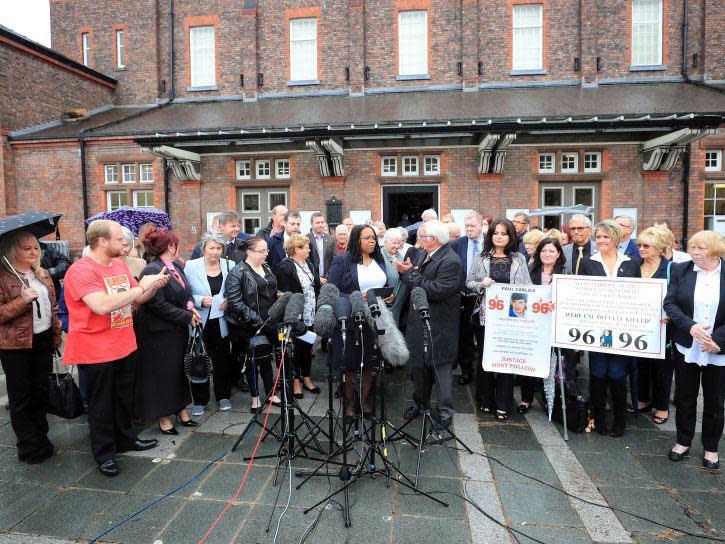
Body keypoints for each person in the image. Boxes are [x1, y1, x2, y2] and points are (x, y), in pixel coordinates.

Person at [63, 220, 168, 476]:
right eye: (120, 238)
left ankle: (126, 439)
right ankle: (105, 453)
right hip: (95, 349)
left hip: (124, 344)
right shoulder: (81, 271)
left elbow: (137, 298)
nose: (125, 243)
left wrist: (153, 285)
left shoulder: (119, 265)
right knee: (101, 404)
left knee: (123, 399)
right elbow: (101, 305)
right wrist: (143, 286)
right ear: (102, 241)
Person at [664, 230, 725, 470]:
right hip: (688, 345)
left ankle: (711, 447)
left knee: (715, 401)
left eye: (701, 248)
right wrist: (691, 327)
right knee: (686, 396)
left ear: (715, 250)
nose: (694, 252)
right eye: (693, 247)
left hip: (718, 348)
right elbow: (670, 303)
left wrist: (717, 340)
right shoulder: (682, 270)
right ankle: (683, 441)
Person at [0, 231, 62, 464]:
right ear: (12, 250)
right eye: (27, 248)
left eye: (35, 248)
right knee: (21, 397)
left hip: (43, 339)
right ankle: (28, 446)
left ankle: (42, 438)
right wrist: (21, 301)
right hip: (15, 345)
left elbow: (53, 307)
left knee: (40, 392)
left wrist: (56, 335)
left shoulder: (42, 273)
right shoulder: (3, 277)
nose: (34, 252)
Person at [396, 220, 461, 429]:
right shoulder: (426, 253)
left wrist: (410, 274)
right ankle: (420, 404)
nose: (419, 239)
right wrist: (410, 271)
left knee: (440, 368)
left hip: (439, 323)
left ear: (433, 240)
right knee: (419, 366)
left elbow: (436, 290)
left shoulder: (451, 261)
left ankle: (445, 412)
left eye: (422, 236)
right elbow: (421, 278)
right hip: (419, 321)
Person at [136, 226, 201, 435]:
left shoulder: (175, 267)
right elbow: (157, 305)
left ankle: (180, 409)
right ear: (169, 246)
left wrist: (191, 306)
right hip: (158, 333)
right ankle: (163, 416)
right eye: (174, 243)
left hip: (176, 330)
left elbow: (186, 291)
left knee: (177, 372)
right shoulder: (152, 269)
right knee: (162, 375)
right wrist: (187, 316)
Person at [579, 220, 641, 437]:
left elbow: (640, 295)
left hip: (623, 329)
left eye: (606, 237)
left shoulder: (632, 263)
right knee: (597, 373)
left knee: (616, 374)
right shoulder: (588, 262)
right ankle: (599, 419)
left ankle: (620, 421)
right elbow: (579, 293)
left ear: (615, 239)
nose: (602, 241)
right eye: (598, 237)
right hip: (596, 329)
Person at [466, 218, 531, 420]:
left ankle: (503, 404)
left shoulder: (519, 258)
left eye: (504, 233)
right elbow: (468, 282)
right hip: (486, 317)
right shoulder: (481, 256)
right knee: (486, 358)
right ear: (490, 235)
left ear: (511, 236)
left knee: (506, 360)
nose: (499, 237)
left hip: (511, 318)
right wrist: (480, 285)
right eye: (496, 233)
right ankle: (485, 400)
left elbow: (528, 285)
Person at [328, 224, 392, 419]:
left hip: (376, 318)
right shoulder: (342, 260)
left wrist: (389, 297)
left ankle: (363, 402)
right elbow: (332, 290)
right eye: (367, 238)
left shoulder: (379, 259)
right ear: (356, 240)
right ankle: (349, 404)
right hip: (351, 318)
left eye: (373, 237)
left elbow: (384, 285)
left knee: (370, 362)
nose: (372, 241)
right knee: (351, 364)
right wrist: (357, 297)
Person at [224, 237, 282, 412]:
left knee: (267, 359)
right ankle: (255, 398)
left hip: (270, 321)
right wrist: (257, 320)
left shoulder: (266, 267)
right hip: (249, 324)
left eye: (267, 250)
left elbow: (269, 290)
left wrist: (279, 295)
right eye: (262, 251)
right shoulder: (237, 272)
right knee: (253, 360)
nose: (267, 253)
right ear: (249, 252)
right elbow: (235, 302)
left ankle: (271, 392)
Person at [185, 232, 234, 415]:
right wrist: (199, 300)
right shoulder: (190, 266)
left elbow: (234, 289)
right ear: (204, 248)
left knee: (222, 360)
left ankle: (223, 396)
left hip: (221, 321)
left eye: (219, 248)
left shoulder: (230, 265)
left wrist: (229, 299)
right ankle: (200, 400)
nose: (215, 252)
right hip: (200, 321)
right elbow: (185, 293)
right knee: (199, 361)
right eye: (211, 248)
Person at [518, 237, 566, 413]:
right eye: (544, 250)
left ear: (558, 253)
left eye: (551, 251)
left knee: (552, 364)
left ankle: (549, 400)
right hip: (533, 324)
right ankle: (526, 399)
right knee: (529, 360)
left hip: (554, 325)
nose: (547, 254)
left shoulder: (565, 273)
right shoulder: (531, 270)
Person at [635, 227, 673, 425]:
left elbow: (679, 298)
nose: (641, 249)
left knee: (662, 368)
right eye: (639, 245)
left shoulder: (671, 268)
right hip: (638, 324)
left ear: (658, 248)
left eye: (646, 246)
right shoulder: (634, 266)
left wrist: (671, 316)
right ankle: (643, 399)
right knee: (641, 364)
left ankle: (662, 407)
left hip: (662, 326)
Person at [276, 234, 321, 398]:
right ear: (296, 249)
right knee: (294, 348)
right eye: (306, 247)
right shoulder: (285, 266)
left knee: (307, 346)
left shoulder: (307, 262)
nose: (309, 249)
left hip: (310, 312)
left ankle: (307, 378)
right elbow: (285, 293)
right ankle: (295, 381)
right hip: (296, 313)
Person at [451, 211, 486, 386]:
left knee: (483, 336)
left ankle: (484, 372)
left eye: (472, 226)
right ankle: (466, 371)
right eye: (467, 226)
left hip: (485, 297)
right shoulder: (458, 244)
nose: (469, 229)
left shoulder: (490, 243)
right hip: (464, 297)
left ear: (481, 225)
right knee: (464, 336)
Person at [380, 228, 408, 323]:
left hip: (399, 304)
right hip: (385, 304)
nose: (397, 246)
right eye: (394, 243)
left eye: (399, 243)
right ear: (385, 242)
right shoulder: (379, 257)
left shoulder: (402, 257)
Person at [307, 212, 335, 285]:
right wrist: (317, 278)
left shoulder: (331, 239)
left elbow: (334, 260)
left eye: (322, 222)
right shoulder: (305, 239)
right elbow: (306, 261)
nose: (320, 225)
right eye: (317, 222)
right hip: (311, 280)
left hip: (328, 280)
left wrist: (326, 277)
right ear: (311, 224)